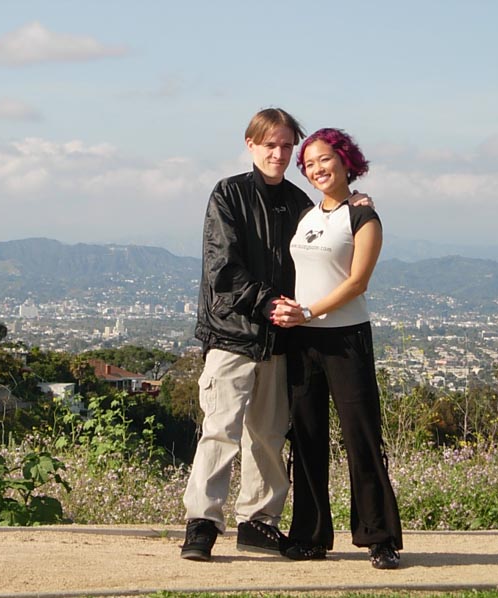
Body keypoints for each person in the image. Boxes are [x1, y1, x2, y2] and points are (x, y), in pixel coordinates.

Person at [180, 107, 313, 561]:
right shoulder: (228, 194)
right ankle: (202, 523)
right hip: (232, 334)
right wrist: (267, 302)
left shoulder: (300, 204)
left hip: (279, 339)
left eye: (286, 145)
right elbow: (223, 267)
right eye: (270, 144)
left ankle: (259, 522)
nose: (278, 152)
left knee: (270, 437)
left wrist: (354, 206)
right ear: (251, 144)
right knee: (220, 430)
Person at [271, 128, 403, 569]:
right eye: (308, 164)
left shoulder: (364, 218)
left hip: (345, 339)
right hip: (302, 340)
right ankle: (310, 536)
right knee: (306, 438)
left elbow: (357, 283)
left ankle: (379, 537)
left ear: (345, 160)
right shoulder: (306, 216)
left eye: (324, 159)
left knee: (361, 437)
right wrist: (296, 315)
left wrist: (307, 311)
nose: (317, 169)